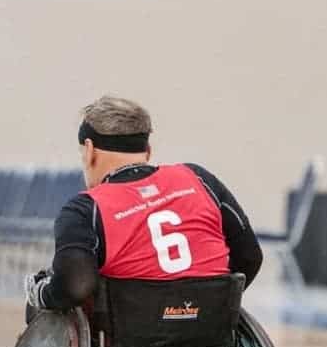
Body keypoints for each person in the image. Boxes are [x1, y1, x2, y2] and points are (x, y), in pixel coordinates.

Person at [24, 96, 263, 311]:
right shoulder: (198, 178)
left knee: (45, 307)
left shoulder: (85, 209)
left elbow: (76, 285)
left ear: (89, 150)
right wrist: (211, 305)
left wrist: (39, 292)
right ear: (147, 150)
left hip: (128, 345)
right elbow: (250, 257)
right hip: (211, 333)